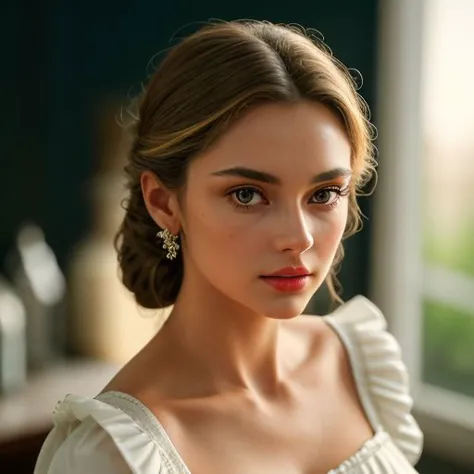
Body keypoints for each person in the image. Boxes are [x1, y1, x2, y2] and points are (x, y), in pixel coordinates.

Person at [34, 19, 423, 474]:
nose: (298, 237)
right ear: (163, 202)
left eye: (324, 194)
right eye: (247, 194)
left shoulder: (360, 364)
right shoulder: (114, 455)